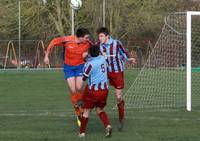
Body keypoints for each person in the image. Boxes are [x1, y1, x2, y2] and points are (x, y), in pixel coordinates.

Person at [44, 28, 92, 126]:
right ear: (80, 37)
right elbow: (53, 42)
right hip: (68, 68)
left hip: (80, 66)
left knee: (79, 87)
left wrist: (89, 55)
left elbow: (96, 49)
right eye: (86, 37)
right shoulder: (67, 39)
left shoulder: (88, 43)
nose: (88, 39)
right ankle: (78, 114)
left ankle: (82, 106)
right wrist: (46, 56)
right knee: (73, 89)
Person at [96, 27, 136, 131]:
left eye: (101, 36)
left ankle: (121, 118)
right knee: (101, 92)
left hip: (117, 72)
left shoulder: (116, 43)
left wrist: (129, 59)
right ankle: (99, 110)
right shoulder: (98, 45)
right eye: (99, 36)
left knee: (118, 96)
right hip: (105, 73)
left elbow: (124, 52)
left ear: (107, 36)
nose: (99, 38)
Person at [79, 45, 112, 138]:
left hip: (93, 92)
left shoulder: (89, 64)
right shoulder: (103, 59)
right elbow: (105, 59)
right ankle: (108, 125)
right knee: (99, 110)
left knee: (86, 111)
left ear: (90, 54)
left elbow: (84, 78)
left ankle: (82, 133)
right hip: (105, 90)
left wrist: (80, 89)